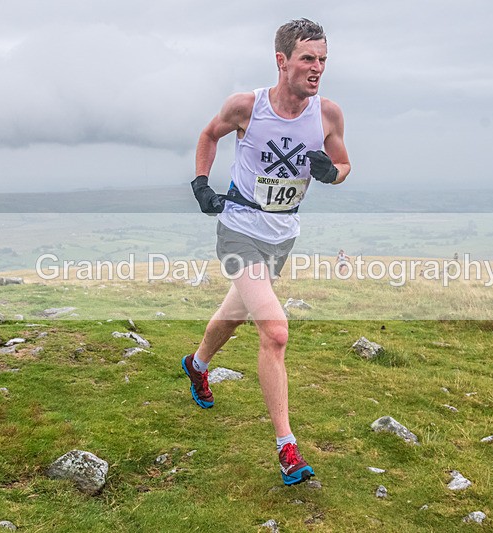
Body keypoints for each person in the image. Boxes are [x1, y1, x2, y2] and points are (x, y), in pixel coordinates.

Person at [184, 18, 351, 485]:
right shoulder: (247, 106)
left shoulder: (328, 115)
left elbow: (344, 164)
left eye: (322, 60)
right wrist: (201, 184)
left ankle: (197, 365)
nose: (316, 69)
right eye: (307, 59)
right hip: (238, 230)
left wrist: (329, 173)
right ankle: (287, 449)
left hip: (282, 235)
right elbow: (208, 136)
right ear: (282, 61)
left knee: (237, 311)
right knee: (275, 332)